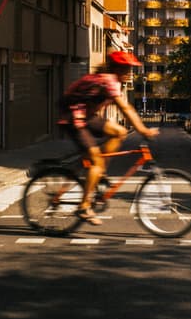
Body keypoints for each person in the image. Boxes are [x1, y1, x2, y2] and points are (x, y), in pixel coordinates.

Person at [60, 50, 158, 224]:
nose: (130, 73)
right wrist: (144, 130)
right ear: (117, 69)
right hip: (74, 117)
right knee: (96, 161)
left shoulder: (111, 81)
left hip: (88, 116)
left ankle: (98, 169)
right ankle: (83, 207)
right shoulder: (109, 81)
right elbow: (126, 109)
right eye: (127, 69)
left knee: (119, 132)